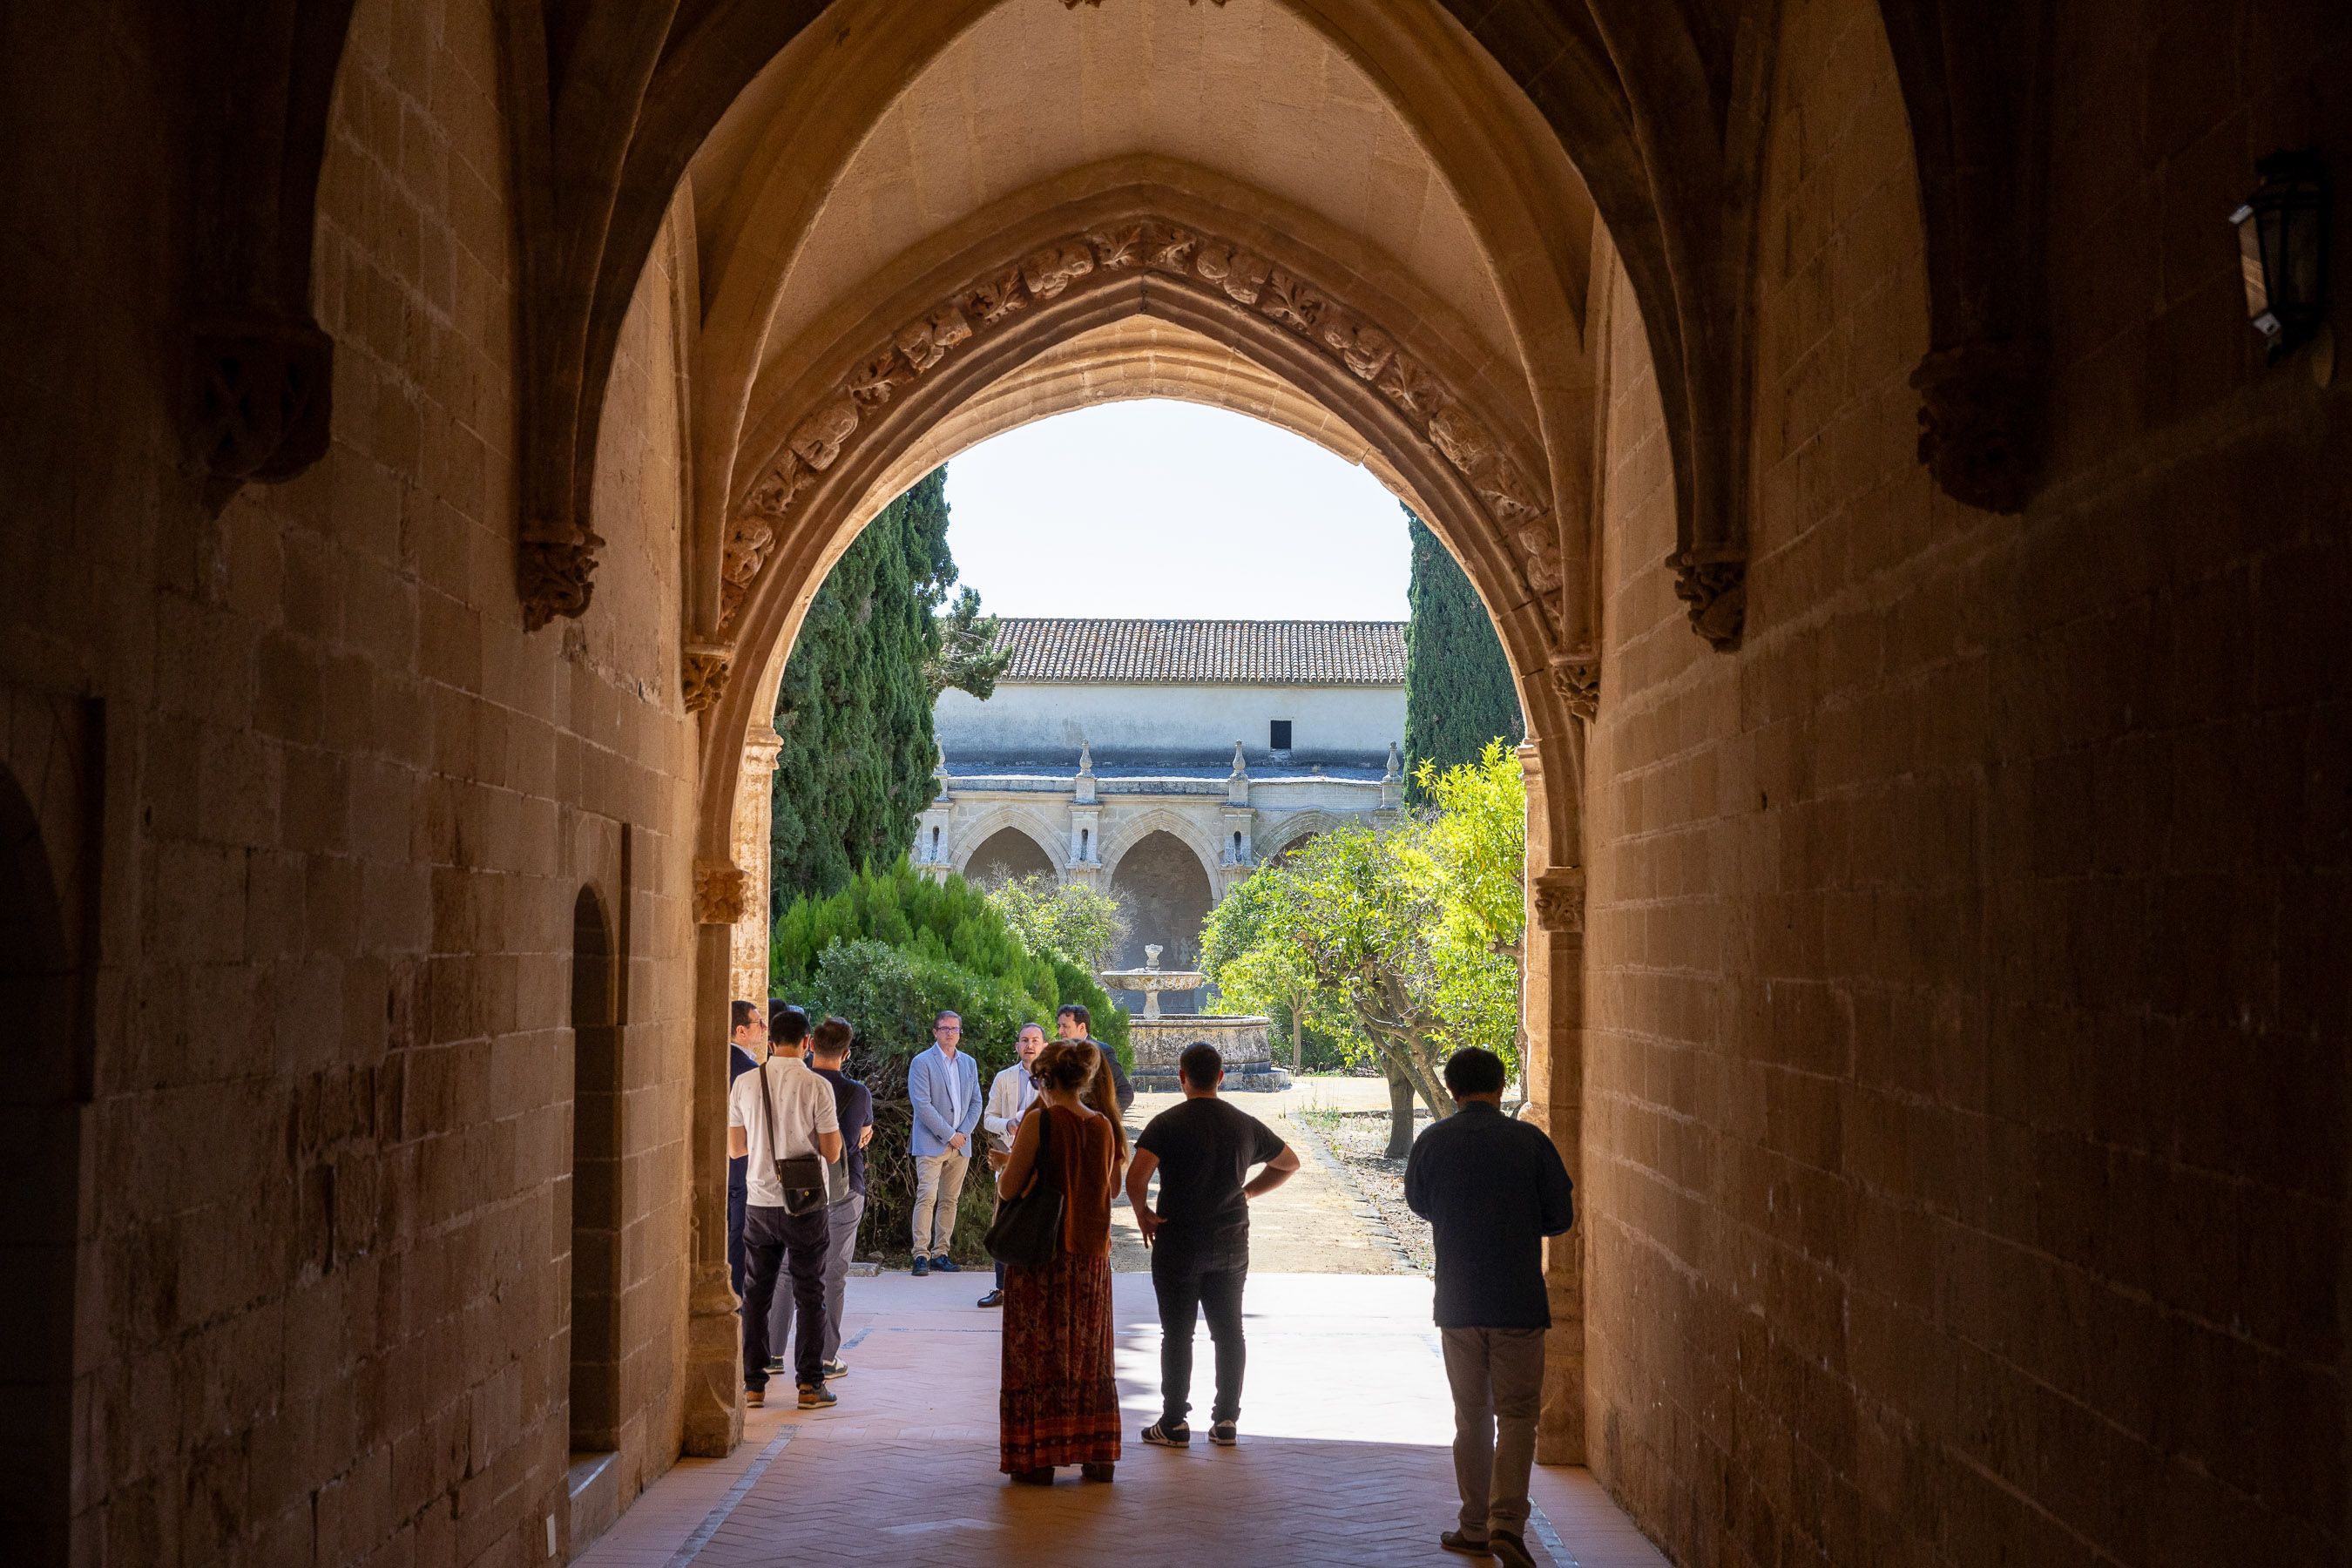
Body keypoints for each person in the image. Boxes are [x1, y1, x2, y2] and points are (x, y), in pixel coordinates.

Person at [1403, 1047, 1574, 1568]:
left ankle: (1474, 1524)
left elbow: (1418, 1202)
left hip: (1457, 1299)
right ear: (1501, 1087)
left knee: (1471, 1416)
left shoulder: (1432, 1142)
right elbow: (1560, 1217)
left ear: (1452, 1091)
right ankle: (1507, 1523)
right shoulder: (1530, 1143)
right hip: (1519, 1299)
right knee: (1519, 1414)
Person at [1127, 1041, 1299, 1448]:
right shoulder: (1244, 1124)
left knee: (1177, 1334)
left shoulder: (1165, 1123)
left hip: (1177, 1242)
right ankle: (1225, 1421)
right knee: (1229, 1333)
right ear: (1220, 1077)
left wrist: (1143, 1213)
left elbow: (1136, 1179)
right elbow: (1288, 1163)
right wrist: (1249, 1192)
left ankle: (1173, 1423)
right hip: (1229, 1243)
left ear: (1182, 1078)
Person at [996, 1041, 1125, 1484]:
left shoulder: (1040, 1121)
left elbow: (1010, 1189)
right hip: (1090, 1257)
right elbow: (1104, 1188)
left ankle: (1038, 1458)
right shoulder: (1103, 1126)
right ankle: (1095, 1453)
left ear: (1045, 1080)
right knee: (1089, 1357)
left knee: (1037, 1355)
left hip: (1043, 1258)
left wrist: (1009, 1167)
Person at [727, 1010, 843, 1411]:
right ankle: (810, 1386)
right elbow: (830, 1152)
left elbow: (736, 1149)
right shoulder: (817, 1086)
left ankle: (753, 1384)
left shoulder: (744, 1083)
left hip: (759, 1202)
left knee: (755, 1293)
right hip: (806, 1203)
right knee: (810, 1291)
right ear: (808, 1042)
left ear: (770, 1041)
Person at [767, 1014, 873, 1382]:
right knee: (833, 1275)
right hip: (842, 1191)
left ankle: (772, 1353)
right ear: (846, 1053)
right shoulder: (856, 1092)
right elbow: (855, 1137)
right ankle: (826, 1358)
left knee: (784, 1271)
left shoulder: (796, 1083)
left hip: (795, 1186)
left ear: (811, 1045)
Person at [906, 1010, 983, 1275]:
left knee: (950, 1200)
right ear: (935, 1031)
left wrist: (962, 1133)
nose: (951, 1033)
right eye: (945, 1028)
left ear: (960, 1033)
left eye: (955, 1029)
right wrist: (950, 1134)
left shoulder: (969, 1063)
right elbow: (922, 1105)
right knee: (926, 1197)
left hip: (962, 1145)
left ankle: (941, 1253)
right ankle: (920, 1255)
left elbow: (976, 1103)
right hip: (931, 1143)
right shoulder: (922, 1062)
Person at [977, 1021, 1047, 1308]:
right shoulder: (1004, 1078)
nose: (1029, 1045)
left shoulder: (1052, 1080)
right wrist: (1009, 1123)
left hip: (1043, 1163)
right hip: (1007, 1159)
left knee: (1038, 1224)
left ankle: (1035, 1288)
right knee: (1002, 1223)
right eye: (1024, 1040)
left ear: (1044, 1045)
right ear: (1017, 1046)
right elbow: (987, 1118)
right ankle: (1002, 1288)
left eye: (1035, 1040)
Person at [726, 1001, 766, 1299]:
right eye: (758, 1023)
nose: (764, 1028)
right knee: (738, 1241)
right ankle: (736, 1302)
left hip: (720, 1168)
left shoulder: (715, 1062)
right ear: (741, 1031)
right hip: (741, 1168)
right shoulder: (750, 1073)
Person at [1055, 1003, 1132, 1119]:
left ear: (1081, 1027)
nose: (1060, 1031)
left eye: (1065, 1026)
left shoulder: (1103, 1052)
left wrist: (1105, 1119)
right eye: (1059, 1026)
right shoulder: (1058, 1054)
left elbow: (1125, 1092)